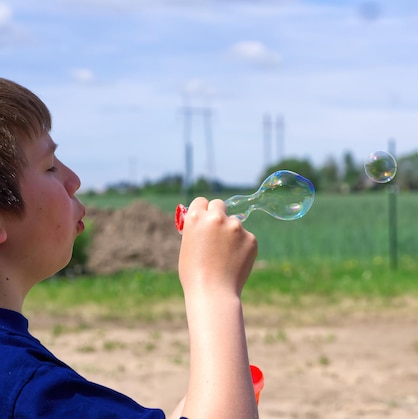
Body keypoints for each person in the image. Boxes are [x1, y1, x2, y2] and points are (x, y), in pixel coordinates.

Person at [0, 78, 260, 419]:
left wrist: (218, 399)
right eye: (50, 166)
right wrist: (214, 290)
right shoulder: (26, 389)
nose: (73, 179)